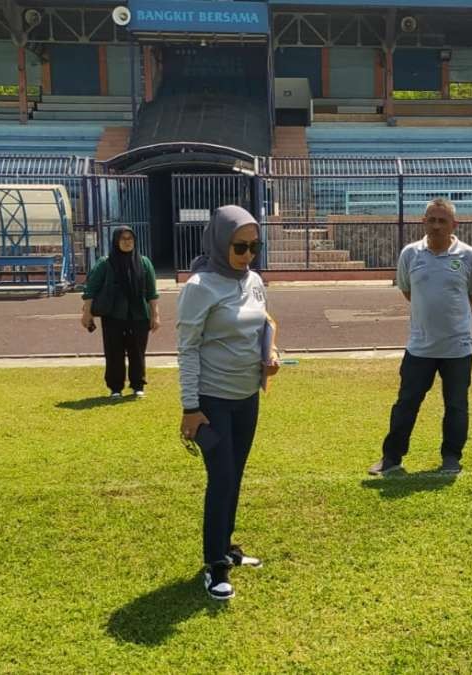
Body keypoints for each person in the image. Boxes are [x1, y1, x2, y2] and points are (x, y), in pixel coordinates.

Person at [177, 205, 281, 602]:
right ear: (221, 242)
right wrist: (190, 407)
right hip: (212, 401)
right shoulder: (200, 286)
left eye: (255, 245)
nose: (249, 254)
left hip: (246, 397)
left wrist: (268, 358)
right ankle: (214, 565)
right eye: (240, 246)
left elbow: (260, 328)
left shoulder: (254, 280)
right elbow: (187, 350)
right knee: (220, 479)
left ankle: (227, 546)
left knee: (234, 475)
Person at [369, 197, 472, 477]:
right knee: (406, 403)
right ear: (423, 222)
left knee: (456, 405)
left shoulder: (469, 256)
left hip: (457, 347)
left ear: (454, 224)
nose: (436, 225)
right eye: (431, 219)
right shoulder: (410, 254)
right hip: (420, 347)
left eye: (442, 220)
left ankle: (451, 457)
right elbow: (408, 291)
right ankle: (391, 458)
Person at [80, 226, 160, 398]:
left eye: (130, 238)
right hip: (113, 315)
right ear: (116, 241)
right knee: (114, 352)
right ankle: (115, 388)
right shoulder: (105, 263)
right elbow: (90, 290)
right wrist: (87, 313)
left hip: (139, 315)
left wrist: (155, 315)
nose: (127, 242)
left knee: (137, 352)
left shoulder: (144, 262)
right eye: (122, 239)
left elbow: (152, 293)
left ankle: (138, 385)